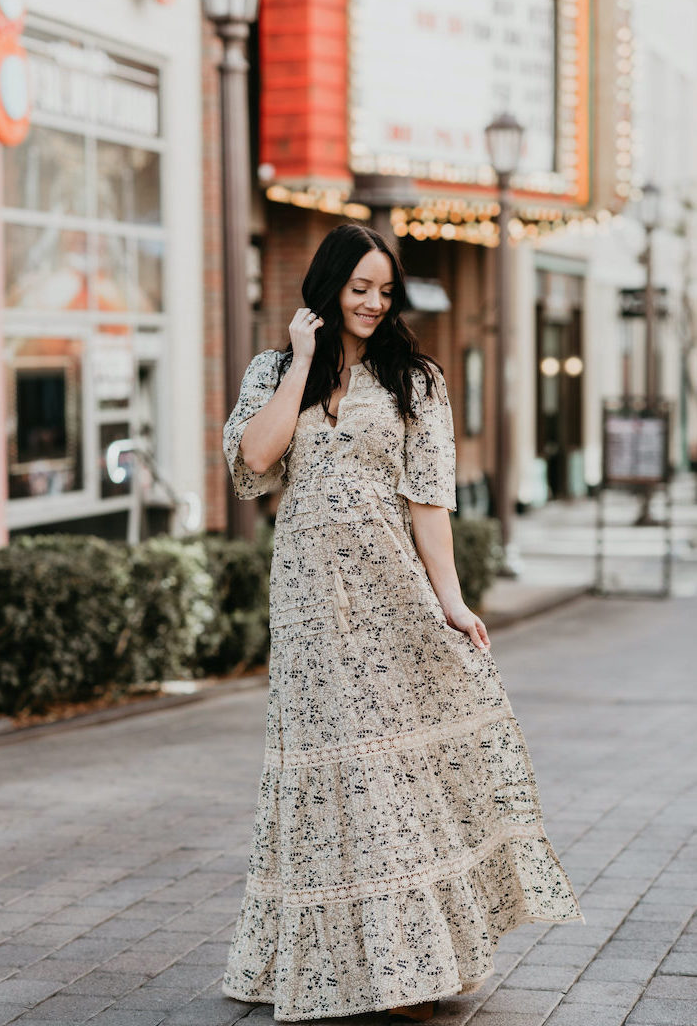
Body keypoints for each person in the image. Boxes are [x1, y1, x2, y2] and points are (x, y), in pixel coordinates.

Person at [221, 223, 585, 1023]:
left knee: (389, 773)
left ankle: (410, 966)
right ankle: (335, 964)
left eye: (385, 291)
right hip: (310, 601)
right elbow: (254, 460)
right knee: (328, 768)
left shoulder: (417, 380)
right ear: (327, 288)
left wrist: (451, 601)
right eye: (359, 289)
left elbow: (429, 501)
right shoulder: (277, 371)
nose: (373, 304)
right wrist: (304, 363)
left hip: (390, 593)